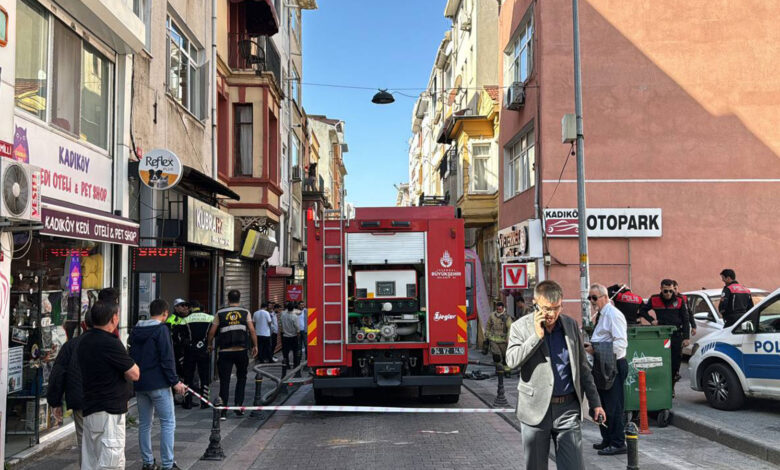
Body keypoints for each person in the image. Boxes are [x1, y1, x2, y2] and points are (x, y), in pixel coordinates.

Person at [506, 280, 605, 470]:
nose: (551, 314)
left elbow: (583, 368)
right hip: (535, 412)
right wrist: (536, 337)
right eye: (546, 308)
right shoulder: (520, 327)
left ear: (562, 303)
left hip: (568, 409)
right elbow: (511, 361)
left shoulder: (570, 325)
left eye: (556, 308)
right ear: (535, 302)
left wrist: (596, 403)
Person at [78, 301, 140, 470]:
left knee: (91, 462)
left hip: (91, 408)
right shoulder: (110, 343)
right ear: (113, 318)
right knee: (110, 462)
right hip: (108, 412)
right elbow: (134, 373)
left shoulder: (84, 341)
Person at [129, 299, 187, 470]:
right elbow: (167, 358)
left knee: (145, 424)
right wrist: (175, 381)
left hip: (140, 384)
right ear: (165, 314)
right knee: (168, 422)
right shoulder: (161, 329)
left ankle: (147, 462)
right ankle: (168, 464)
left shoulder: (135, 330)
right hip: (159, 383)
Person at [586, 284, 629, 456]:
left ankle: (618, 442)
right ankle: (608, 439)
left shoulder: (613, 315)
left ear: (604, 297)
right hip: (602, 364)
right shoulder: (602, 315)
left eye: (594, 298)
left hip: (613, 365)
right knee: (602, 404)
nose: (592, 301)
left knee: (613, 406)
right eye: (590, 298)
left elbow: (620, 344)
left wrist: (596, 349)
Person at [208, 290, 257, 419]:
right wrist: (255, 345)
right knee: (241, 378)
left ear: (228, 299)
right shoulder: (245, 312)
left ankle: (223, 411)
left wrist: (209, 344)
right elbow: (252, 330)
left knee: (224, 381)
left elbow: (212, 332)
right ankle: (238, 407)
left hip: (225, 352)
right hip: (241, 351)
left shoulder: (220, 312)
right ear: (239, 299)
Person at [47, 323, 88, 465]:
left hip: (80, 399)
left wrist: (55, 401)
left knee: (84, 440)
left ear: (84, 325)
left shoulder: (71, 345)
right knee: (104, 440)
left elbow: (58, 374)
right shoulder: (110, 343)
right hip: (105, 401)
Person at [639, 279, 690, 384]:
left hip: (676, 334)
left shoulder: (680, 300)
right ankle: (662, 384)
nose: (668, 294)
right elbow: (642, 311)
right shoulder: (654, 299)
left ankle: (671, 385)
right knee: (661, 360)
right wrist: (651, 320)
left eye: (671, 291)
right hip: (660, 335)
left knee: (675, 362)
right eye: (665, 291)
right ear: (661, 289)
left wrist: (686, 337)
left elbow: (686, 319)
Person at [180, 300, 214, 409]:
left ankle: (187, 401)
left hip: (190, 351)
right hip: (204, 349)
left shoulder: (185, 319)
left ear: (191, 308)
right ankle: (205, 401)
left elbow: (180, 336)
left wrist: (187, 345)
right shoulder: (210, 318)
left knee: (188, 377)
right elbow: (214, 333)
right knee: (204, 377)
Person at [485, 301, 512, 371]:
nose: (498, 311)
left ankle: (507, 371)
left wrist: (508, 338)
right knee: (497, 356)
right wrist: (487, 336)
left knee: (505, 357)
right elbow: (488, 326)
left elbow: (510, 328)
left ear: (503, 308)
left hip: (503, 341)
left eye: (500, 309)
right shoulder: (492, 316)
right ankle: (499, 370)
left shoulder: (507, 317)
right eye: (497, 309)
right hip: (493, 341)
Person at [168, 299, 191, 377]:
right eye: (182, 305)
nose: (185, 307)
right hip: (177, 351)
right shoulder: (171, 320)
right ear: (176, 307)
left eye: (186, 305)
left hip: (187, 350)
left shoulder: (187, 318)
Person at [281, 302, 302, 372]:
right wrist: (298, 333)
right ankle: (295, 365)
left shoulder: (283, 315)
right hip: (293, 336)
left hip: (285, 336)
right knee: (295, 352)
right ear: (293, 308)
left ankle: (286, 365)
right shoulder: (294, 316)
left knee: (285, 352)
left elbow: (280, 324)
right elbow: (297, 327)